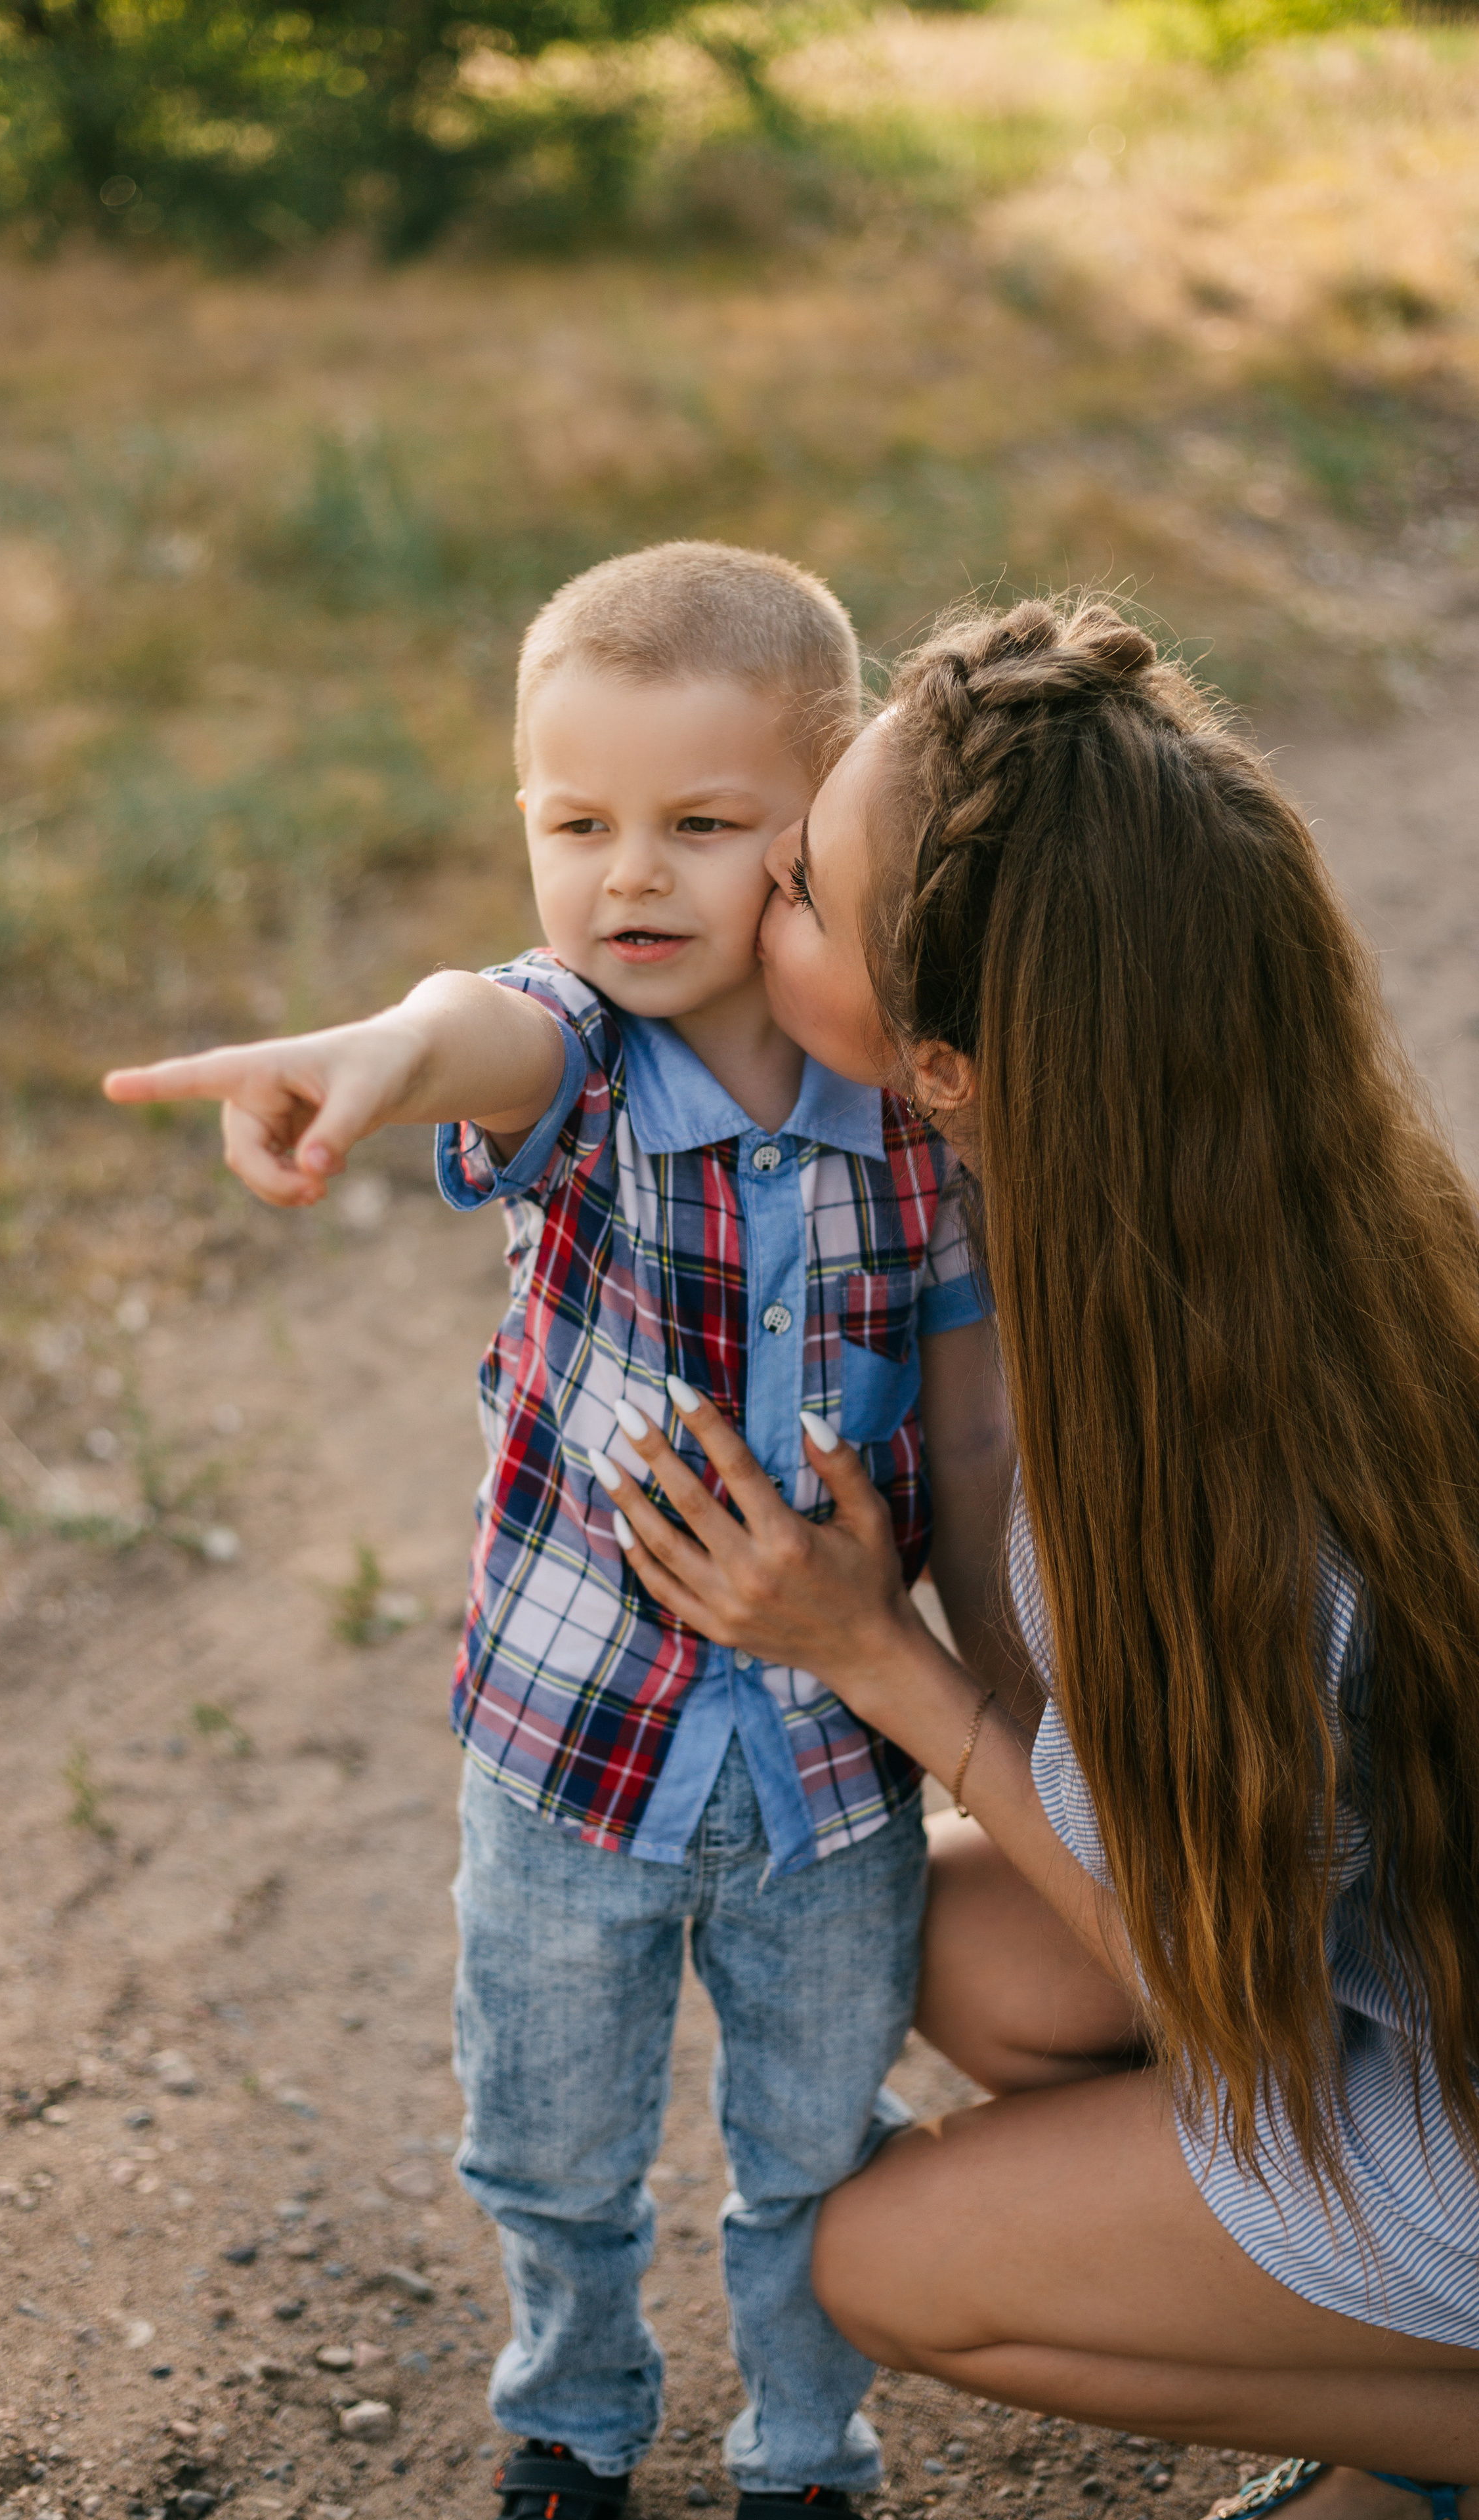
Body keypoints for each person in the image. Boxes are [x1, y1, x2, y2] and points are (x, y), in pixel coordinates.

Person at [102, 543, 1026, 2520]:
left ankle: (806, 2453)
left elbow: (971, 1431)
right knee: (549, 2143)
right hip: (569, 1747)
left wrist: (1012, 1696)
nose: (631, 881)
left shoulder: (918, 1124)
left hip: (831, 1774)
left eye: (703, 825)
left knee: (817, 2146)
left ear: (822, 824)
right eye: (576, 825)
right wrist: (374, 1060)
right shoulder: (588, 1062)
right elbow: (477, 1023)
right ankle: (573, 2420)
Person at [582, 595, 1479, 2513]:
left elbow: (1203, 1968)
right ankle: (1370, 2374)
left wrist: (870, 1651)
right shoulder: (1305, 1212)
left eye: (800, 889)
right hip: (1419, 1956)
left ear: (947, 1068)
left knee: (887, 2266)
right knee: (959, 1951)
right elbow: (1125, 1785)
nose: (752, 894)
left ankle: (1426, 2427)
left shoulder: (1206, 1449)